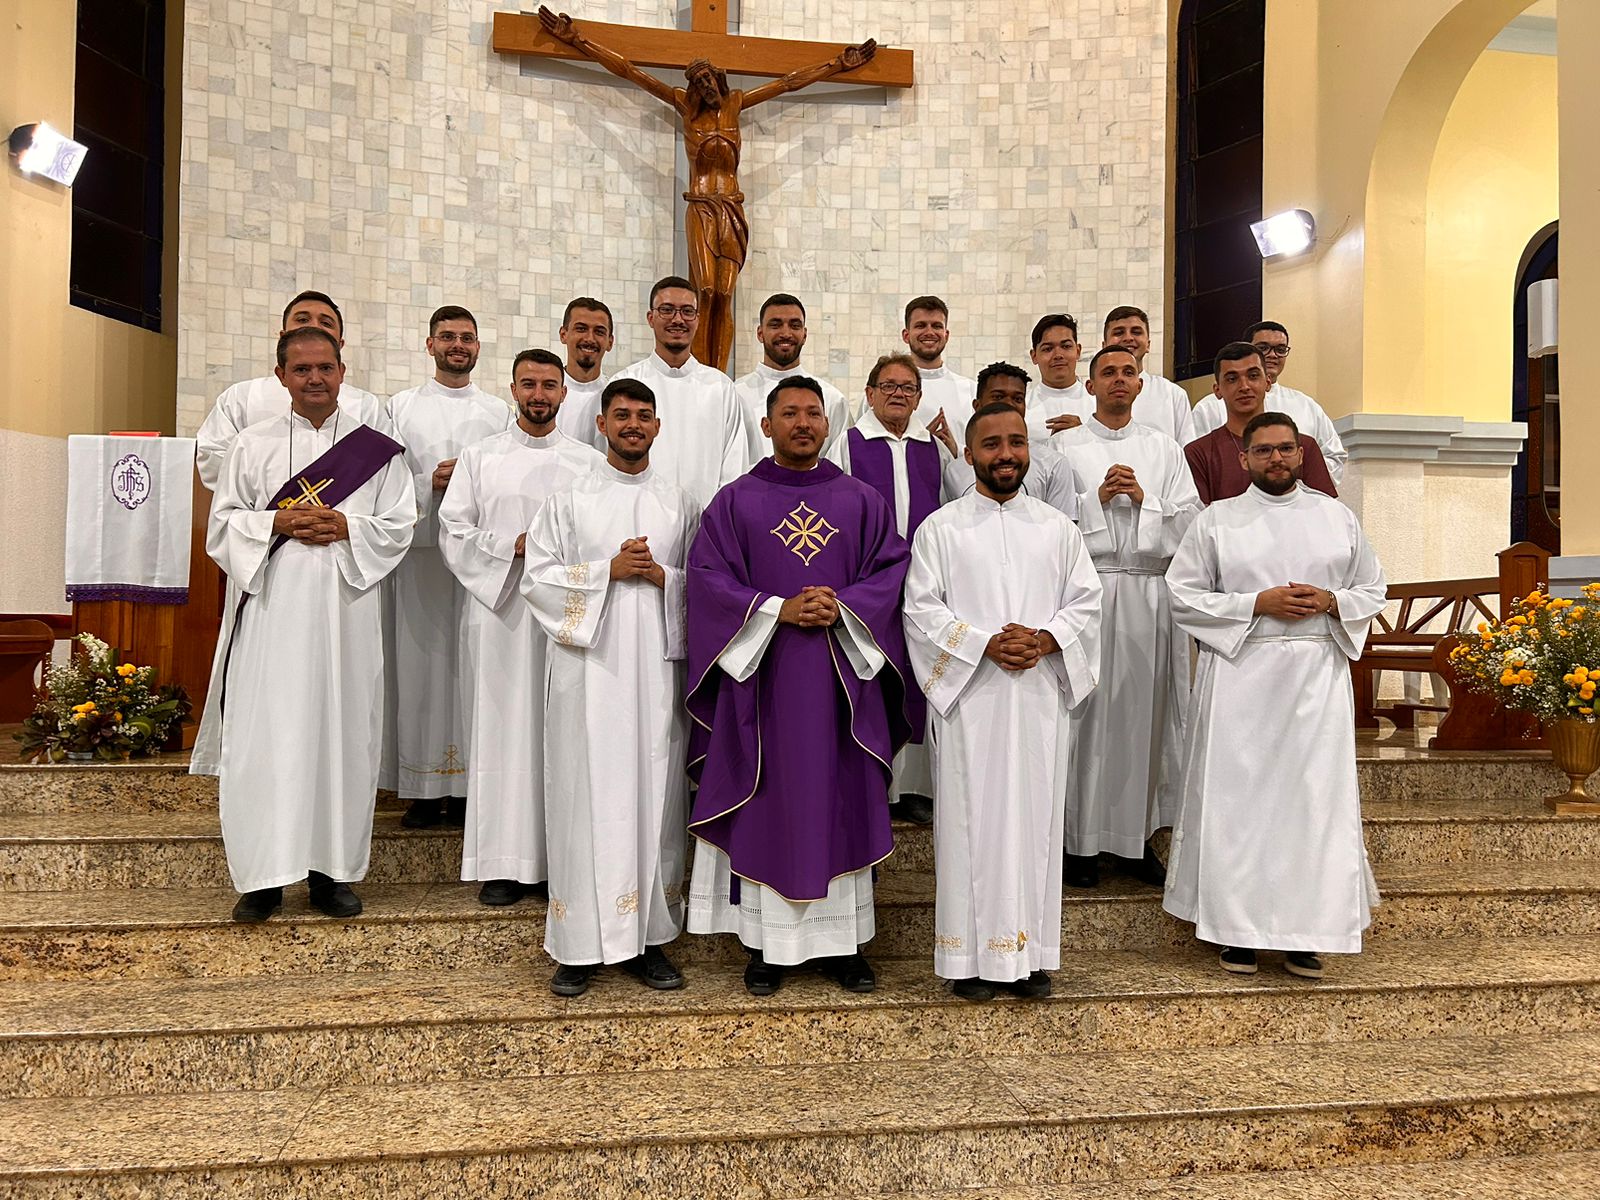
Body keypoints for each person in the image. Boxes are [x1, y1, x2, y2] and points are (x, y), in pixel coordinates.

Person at [685, 377, 912, 997]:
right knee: (769, 800)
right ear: (767, 424)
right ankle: (766, 947)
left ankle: (845, 944)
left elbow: (893, 573)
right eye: (790, 413)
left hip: (842, 682)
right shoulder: (735, 501)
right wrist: (775, 609)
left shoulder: (861, 500)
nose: (804, 423)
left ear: (827, 423)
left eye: (814, 413)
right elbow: (706, 580)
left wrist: (845, 607)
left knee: (840, 797)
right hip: (765, 683)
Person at [193, 326, 414, 922]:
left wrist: (348, 528)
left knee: (342, 735)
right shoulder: (251, 445)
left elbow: (399, 524)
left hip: (346, 613)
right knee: (268, 738)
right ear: (281, 375)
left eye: (325, 368)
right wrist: (276, 526)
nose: (314, 379)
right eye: (302, 370)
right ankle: (264, 878)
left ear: (343, 371)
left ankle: (331, 874)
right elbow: (222, 528)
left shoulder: (379, 451)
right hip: (272, 615)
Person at [1163, 411, 1387, 978]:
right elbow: (1181, 595)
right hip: (1243, 672)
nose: (1277, 459)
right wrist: (1253, 604)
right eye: (1263, 451)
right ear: (1244, 459)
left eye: (1286, 449)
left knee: (1312, 806)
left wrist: (1333, 601)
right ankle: (1236, 931)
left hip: (1316, 679)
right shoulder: (1218, 521)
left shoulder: (1335, 517)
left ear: (1302, 452)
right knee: (1240, 805)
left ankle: (1305, 931)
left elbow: (1372, 586)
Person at [903, 403, 1102, 1001]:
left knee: (1038, 821)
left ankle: (1031, 953)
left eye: (1017, 442)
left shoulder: (1057, 528)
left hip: (1038, 694)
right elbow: (921, 608)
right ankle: (966, 958)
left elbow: (1087, 603)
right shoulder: (941, 528)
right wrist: (984, 643)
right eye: (991, 444)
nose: (1006, 454)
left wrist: (1044, 639)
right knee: (969, 822)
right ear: (968, 453)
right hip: (973, 699)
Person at [522, 377, 700, 996]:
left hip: (655, 675)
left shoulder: (680, 501)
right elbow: (538, 579)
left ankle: (650, 938)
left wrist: (661, 575)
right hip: (587, 679)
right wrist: (605, 572)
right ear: (600, 425)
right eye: (621, 415)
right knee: (582, 800)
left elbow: (703, 586)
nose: (633, 424)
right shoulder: (569, 498)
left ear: (657, 427)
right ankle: (578, 945)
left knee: (655, 797)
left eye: (644, 416)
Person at [437, 349, 603, 905]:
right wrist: (511, 546)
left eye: (549, 385)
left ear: (563, 394)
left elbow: (599, 533)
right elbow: (453, 530)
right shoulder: (479, 457)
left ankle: (562, 858)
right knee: (504, 730)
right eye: (528, 383)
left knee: (564, 732)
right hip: (501, 613)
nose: (539, 394)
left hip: (564, 617)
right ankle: (504, 863)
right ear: (512, 389)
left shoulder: (586, 462)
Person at [1051, 347, 1200, 887]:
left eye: (1127, 373)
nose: (1119, 380)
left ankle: (1136, 841)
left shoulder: (1164, 449)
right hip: (1086, 593)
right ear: (1088, 387)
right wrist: (1095, 501)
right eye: (1107, 373)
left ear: (1141, 385)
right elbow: (1046, 520)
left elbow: (1191, 522)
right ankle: (1078, 843)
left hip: (1145, 592)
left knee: (1144, 715)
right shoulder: (1062, 447)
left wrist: (1144, 499)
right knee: (1085, 715)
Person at [385, 306, 512, 829]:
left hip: (480, 560)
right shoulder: (400, 407)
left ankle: (468, 789)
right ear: (429, 344)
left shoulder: (499, 412)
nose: (458, 345)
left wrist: (469, 486)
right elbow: (384, 480)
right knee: (421, 665)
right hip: (420, 557)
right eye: (448, 337)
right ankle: (421, 788)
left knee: (477, 668)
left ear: (479, 347)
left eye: (467, 338)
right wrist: (428, 486)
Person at [828, 352, 955, 825]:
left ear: (919, 398)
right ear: (871, 393)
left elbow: (953, 509)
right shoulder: (849, 442)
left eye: (907, 387)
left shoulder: (934, 448)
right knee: (875, 672)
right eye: (889, 386)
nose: (898, 394)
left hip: (923, 580)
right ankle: (872, 774)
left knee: (920, 673)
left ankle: (915, 786)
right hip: (869, 580)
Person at [195, 291, 387, 490]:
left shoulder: (366, 406)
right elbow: (212, 457)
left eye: (326, 323)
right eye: (302, 319)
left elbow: (386, 469)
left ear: (339, 344)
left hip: (346, 518)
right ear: (282, 336)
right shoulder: (242, 397)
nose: (313, 326)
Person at [613, 275, 749, 507]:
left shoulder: (720, 387)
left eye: (687, 311)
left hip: (706, 527)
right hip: (637, 522)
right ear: (650, 317)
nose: (678, 319)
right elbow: (611, 461)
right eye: (667, 310)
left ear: (697, 319)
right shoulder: (624, 383)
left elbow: (734, 468)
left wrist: (715, 522)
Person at [1180, 321, 1347, 482]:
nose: (1273, 355)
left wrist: (1293, 478)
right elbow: (1196, 464)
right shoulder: (1209, 407)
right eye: (1263, 348)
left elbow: (1333, 455)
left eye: (1280, 349)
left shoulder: (1306, 405)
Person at [938, 362, 1078, 518]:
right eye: (998, 397)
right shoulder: (954, 471)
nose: (1008, 404)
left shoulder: (1053, 464)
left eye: (1018, 398)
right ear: (977, 405)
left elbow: (1063, 529)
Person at [733, 293, 850, 463]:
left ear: (804, 334)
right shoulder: (735, 394)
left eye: (795, 325)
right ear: (760, 333)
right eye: (775, 325)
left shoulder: (832, 398)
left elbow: (840, 465)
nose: (786, 333)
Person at [1100, 305, 1192, 444]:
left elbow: (1186, 450)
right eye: (1119, 333)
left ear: (1148, 344)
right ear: (1104, 345)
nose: (1128, 338)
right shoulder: (1092, 394)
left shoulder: (1173, 394)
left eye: (1136, 332)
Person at [553, 296, 616, 450]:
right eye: (581, 329)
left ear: (610, 342)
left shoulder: (616, 397)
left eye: (599, 332)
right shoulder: (545, 394)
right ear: (563, 335)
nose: (589, 338)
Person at [902, 295, 976, 418]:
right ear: (906, 335)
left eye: (937, 326)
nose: (929, 332)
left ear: (946, 336)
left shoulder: (970, 391)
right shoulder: (885, 391)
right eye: (921, 325)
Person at [1026, 313, 1091, 441]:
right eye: (1048, 349)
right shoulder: (1023, 407)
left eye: (1066, 346)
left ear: (1078, 351)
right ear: (1034, 356)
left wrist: (1083, 434)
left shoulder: (1098, 403)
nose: (1058, 355)